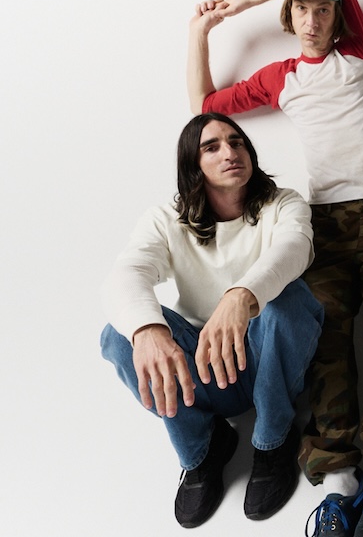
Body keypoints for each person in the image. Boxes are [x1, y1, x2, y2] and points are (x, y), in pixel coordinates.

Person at [187, 0, 363, 537]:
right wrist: (201, 33)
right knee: (327, 344)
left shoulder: (359, 54)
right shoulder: (280, 77)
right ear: (289, 18)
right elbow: (205, 109)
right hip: (321, 225)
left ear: (338, 18)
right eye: (302, 9)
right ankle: (337, 479)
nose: (314, 19)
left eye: (323, 8)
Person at [100, 113, 324, 528]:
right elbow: (126, 273)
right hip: (204, 372)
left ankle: (273, 440)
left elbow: (294, 249)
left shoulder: (284, 202)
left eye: (237, 142)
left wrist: (241, 296)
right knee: (118, 336)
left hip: (267, 364)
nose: (230, 152)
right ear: (193, 164)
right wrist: (148, 330)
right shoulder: (167, 218)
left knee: (287, 297)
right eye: (212, 146)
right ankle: (203, 449)